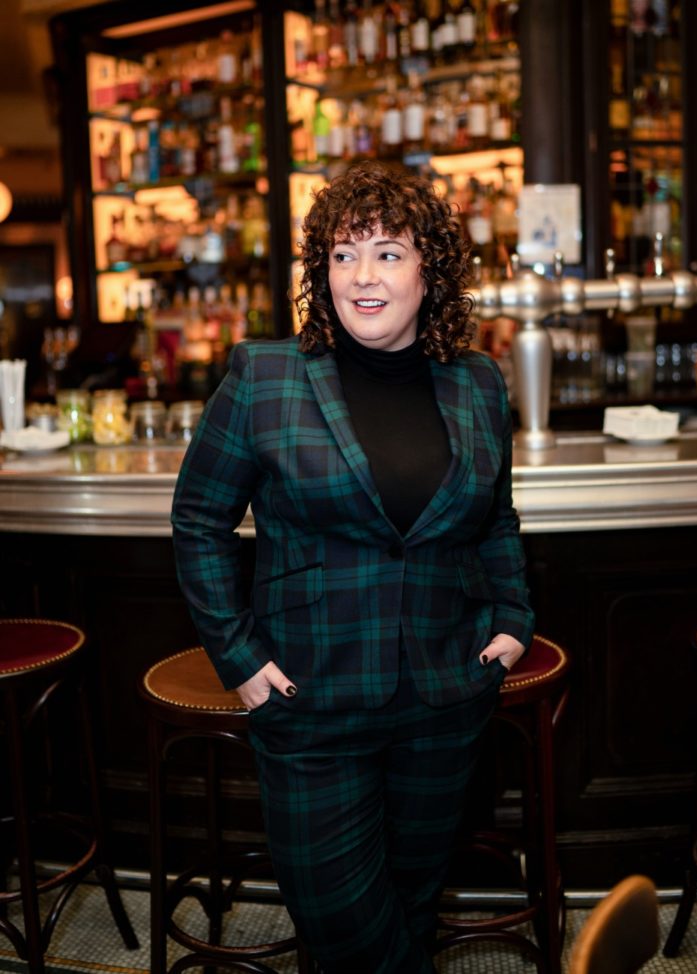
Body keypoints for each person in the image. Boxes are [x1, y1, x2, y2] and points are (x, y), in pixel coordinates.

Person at [171, 160, 534, 973]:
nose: (362, 275)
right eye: (342, 254)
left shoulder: (477, 383)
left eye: (388, 252)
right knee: (349, 934)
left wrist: (514, 619)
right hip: (311, 700)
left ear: (430, 271)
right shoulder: (264, 378)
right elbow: (199, 519)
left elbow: (495, 519)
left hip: (445, 695)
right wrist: (240, 657)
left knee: (411, 907)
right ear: (319, 272)